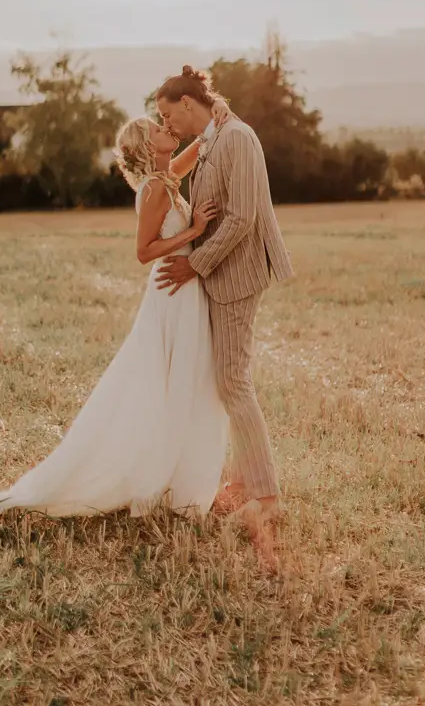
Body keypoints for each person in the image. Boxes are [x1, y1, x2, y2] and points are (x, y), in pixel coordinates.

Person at [0, 98, 233, 530]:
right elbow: (143, 253)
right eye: (157, 128)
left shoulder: (165, 178)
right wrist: (195, 231)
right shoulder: (156, 189)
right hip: (171, 294)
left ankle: (174, 475)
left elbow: (192, 153)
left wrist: (216, 121)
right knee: (169, 380)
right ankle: (159, 478)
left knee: (184, 380)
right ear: (147, 145)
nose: (166, 128)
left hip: (184, 292)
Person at [155, 66, 293, 528]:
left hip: (238, 274)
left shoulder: (237, 138)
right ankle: (240, 481)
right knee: (226, 378)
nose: (167, 124)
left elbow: (242, 219)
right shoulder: (212, 138)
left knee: (234, 381)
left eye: (167, 114)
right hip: (221, 274)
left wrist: (195, 262)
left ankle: (266, 498)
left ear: (188, 104)